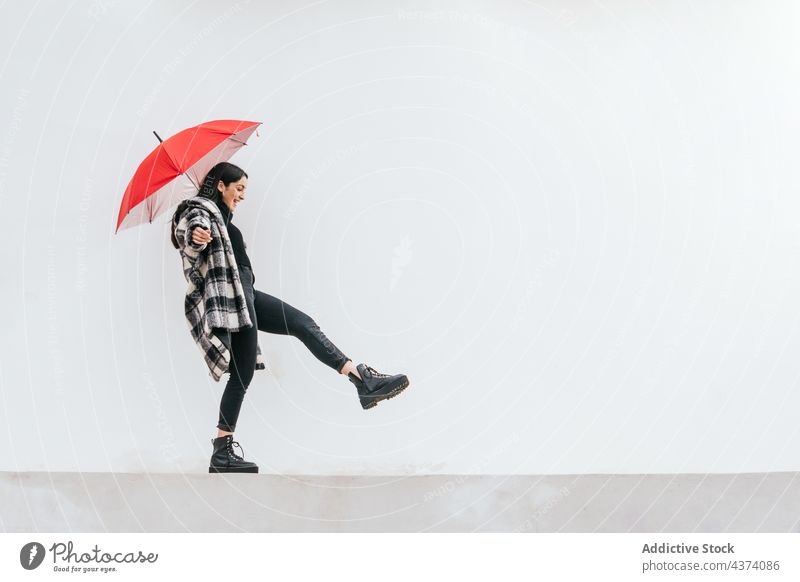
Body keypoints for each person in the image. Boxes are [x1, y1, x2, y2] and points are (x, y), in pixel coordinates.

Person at [170, 162, 410, 474]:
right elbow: (187, 234)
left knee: (301, 323)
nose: (242, 195)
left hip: (247, 293)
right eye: (239, 188)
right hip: (231, 299)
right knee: (242, 373)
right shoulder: (198, 209)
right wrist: (196, 236)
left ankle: (362, 380)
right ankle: (221, 452)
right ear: (221, 185)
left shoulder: (225, 221)